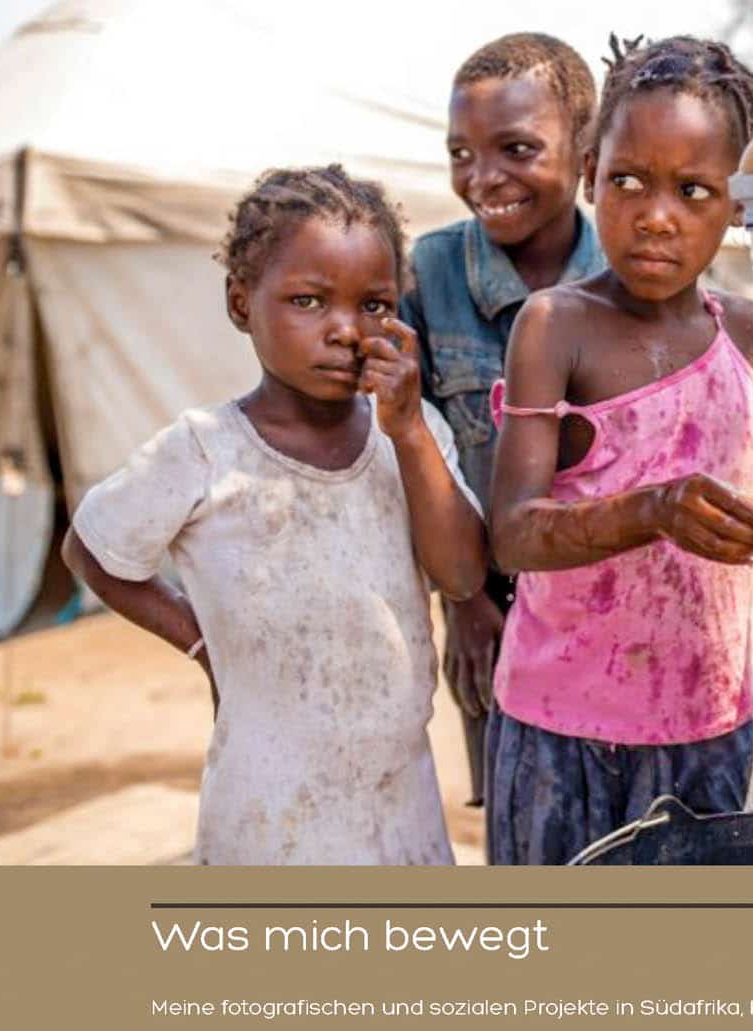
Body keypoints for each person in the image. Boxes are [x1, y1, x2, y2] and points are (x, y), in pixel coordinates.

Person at [487, 34, 753, 866]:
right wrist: (651, 510)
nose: (655, 214)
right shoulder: (557, 325)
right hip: (565, 733)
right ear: (590, 171)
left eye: (693, 190)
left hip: (710, 725)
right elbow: (514, 532)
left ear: (737, 202)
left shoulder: (744, 328)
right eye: (627, 180)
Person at [62, 166, 487, 865]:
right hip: (267, 818)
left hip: (399, 810)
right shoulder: (204, 450)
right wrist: (202, 646)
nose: (347, 330)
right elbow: (91, 550)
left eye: (375, 305)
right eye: (309, 301)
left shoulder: (411, 436)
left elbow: (464, 575)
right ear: (240, 302)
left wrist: (409, 430)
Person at [401, 32, 604, 808]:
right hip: (492, 612)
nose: (483, 179)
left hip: (619, 612)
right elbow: (409, 453)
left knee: (637, 834)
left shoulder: (638, 273)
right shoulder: (429, 275)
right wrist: (464, 604)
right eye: (461, 153)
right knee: (523, 838)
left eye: (516, 148)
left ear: (584, 150)